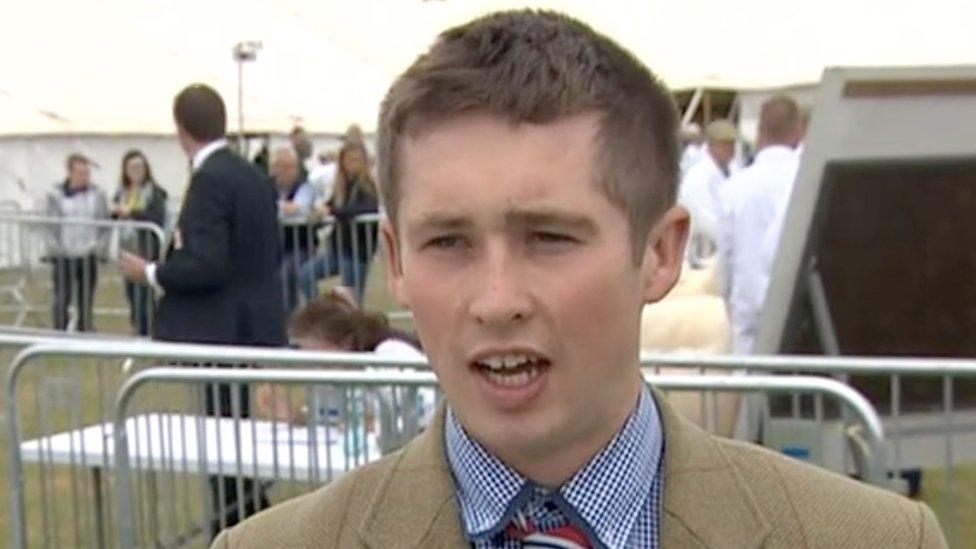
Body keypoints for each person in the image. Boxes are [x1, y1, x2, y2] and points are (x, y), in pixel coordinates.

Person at [213, 11, 945, 549]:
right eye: (448, 240)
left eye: (550, 238)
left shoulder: (870, 538)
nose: (497, 300)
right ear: (396, 261)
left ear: (659, 253)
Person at [119, 83, 286, 535]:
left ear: (181, 129)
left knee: (223, 447)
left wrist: (152, 273)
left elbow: (208, 262)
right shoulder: (251, 174)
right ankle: (248, 529)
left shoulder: (210, 179)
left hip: (220, 330)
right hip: (255, 321)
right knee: (233, 446)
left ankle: (246, 532)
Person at [257, 290, 433, 454]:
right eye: (300, 349)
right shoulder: (328, 376)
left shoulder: (391, 354)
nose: (308, 360)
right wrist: (294, 416)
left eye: (313, 350)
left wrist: (376, 425)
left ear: (345, 343)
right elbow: (333, 423)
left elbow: (429, 413)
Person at [718, 96, 803, 354]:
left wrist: (729, 297)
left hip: (748, 303)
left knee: (749, 384)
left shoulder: (733, 188)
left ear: (759, 132)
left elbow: (726, 255)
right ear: (798, 130)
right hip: (795, 304)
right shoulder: (805, 179)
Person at [296, 140, 379, 302]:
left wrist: (333, 211)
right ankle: (321, 314)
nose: (352, 164)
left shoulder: (367, 186)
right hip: (338, 250)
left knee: (352, 301)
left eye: (356, 160)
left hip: (357, 253)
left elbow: (365, 208)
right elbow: (330, 204)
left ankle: (351, 326)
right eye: (348, 160)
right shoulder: (341, 186)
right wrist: (319, 211)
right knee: (305, 275)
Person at [43, 153, 110, 331]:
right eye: (81, 173)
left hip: (89, 252)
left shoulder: (98, 194)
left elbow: (105, 223)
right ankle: (60, 329)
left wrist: (100, 247)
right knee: (62, 295)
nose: (85, 177)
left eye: (87, 173)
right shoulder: (55, 195)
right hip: (64, 253)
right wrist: (54, 249)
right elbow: (49, 224)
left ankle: (85, 327)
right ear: (70, 173)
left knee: (86, 295)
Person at [112, 150, 168, 336]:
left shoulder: (155, 192)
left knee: (145, 296)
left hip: (147, 249)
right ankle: (137, 327)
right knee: (131, 293)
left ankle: (148, 331)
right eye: (132, 167)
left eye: (139, 166)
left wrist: (132, 213)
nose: (136, 171)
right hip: (128, 247)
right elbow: (113, 214)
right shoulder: (122, 192)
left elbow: (156, 217)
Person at [678, 119, 738, 267]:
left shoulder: (734, 170)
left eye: (732, 144)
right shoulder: (698, 176)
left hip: (726, 254)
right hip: (701, 256)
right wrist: (737, 237)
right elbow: (706, 222)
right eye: (725, 144)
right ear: (712, 145)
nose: (731, 150)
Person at [272, 146, 316, 313]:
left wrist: (279, 208)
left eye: (290, 166)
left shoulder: (305, 186)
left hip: (302, 246)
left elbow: (299, 208)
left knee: (288, 273)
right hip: (276, 247)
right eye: (281, 166)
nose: (285, 171)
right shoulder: (269, 185)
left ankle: (295, 319)